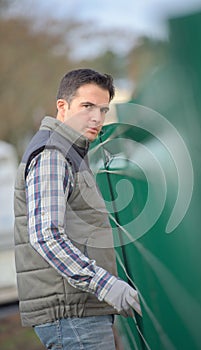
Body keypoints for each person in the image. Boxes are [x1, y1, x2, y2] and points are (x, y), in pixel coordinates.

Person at [14, 68, 141, 350]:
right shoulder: (52, 154)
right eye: (87, 106)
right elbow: (45, 236)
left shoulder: (69, 151)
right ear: (63, 106)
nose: (97, 118)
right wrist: (105, 285)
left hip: (78, 311)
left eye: (103, 109)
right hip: (71, 316)